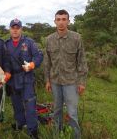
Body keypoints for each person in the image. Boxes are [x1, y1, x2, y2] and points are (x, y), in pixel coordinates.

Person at [44, 9, 88, 139]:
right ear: (55, 22)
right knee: (56, 111)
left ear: (68, 21)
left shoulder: (76, 38)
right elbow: (47, 62)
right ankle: (57, 135)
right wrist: (47, 80)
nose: (61, 22)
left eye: (64, 19)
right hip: (55, 82)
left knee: (72, 113)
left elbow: (82, 61)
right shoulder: (49, 40)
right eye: (58, 19)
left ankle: (75, 136)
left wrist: (82, 82)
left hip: (71, 82)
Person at [5, 18, 43, 139]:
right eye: (13, 28)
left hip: (27, 78)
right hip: (12, 79)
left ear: (21, 29)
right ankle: (20, 123)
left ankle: (33, 130)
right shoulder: (6, 44)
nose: (15, 30)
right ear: (10, 29)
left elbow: (38, 56)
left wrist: (32, 65)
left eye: (17, 28)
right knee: (16, 104)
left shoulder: (29, 42)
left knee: (30, 104)